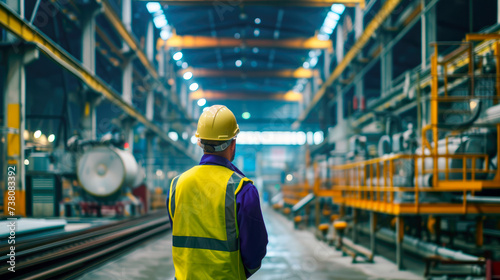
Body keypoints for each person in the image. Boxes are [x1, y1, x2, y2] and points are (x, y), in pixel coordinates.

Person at [167, 105, 268, 279]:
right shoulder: (242, 189)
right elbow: (255, 249)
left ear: (200, 142)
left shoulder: (178, 184)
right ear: (233, 143)